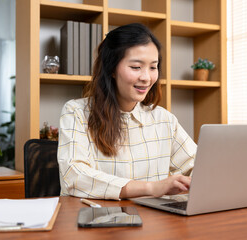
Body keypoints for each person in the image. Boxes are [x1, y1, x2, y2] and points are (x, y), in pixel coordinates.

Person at [58, 23, 196, 200]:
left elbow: (197, 165)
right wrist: (152, 188)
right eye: (136, 67)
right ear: (112, 69)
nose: (146, 77)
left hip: (155, 223)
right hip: (97, 220)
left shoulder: (164, 119)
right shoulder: (76, 112)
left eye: (153, 67)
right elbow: (75, 177)